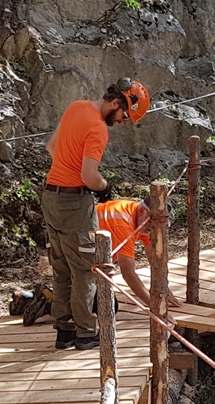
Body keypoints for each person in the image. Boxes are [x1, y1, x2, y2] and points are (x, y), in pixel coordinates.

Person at [42, 78, 151, 351]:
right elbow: (89, 176)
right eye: (124, 114)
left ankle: (64, 332)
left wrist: (67, 171)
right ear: (116, 102)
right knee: (86, 270)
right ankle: (86, 333)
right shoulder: (98, 128)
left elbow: (51, 148)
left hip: (50, 197)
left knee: (62, 266)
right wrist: (104, 187)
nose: (123, 121)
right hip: (74, 204)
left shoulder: (76, 107)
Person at [96, 198, 184, 315]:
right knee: (105, 307)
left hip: (93, 257)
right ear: (142, 211)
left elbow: (154, 260)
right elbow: (128, 273)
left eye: (156, 226)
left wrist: (164, 287)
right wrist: (155, 309)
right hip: (80, 256)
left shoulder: (141, 219)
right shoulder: (123, 223)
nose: (152, 228)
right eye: (151, 224)